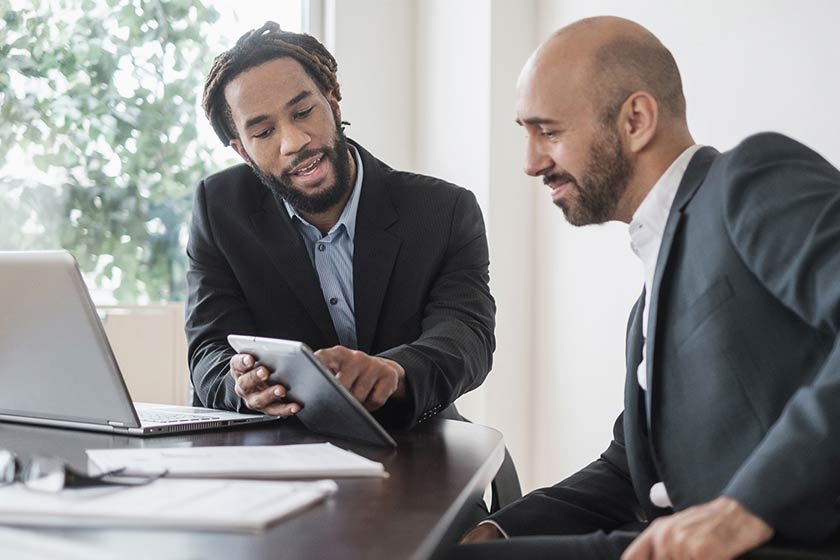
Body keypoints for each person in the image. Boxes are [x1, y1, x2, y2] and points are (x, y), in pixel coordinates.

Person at [455, 15, 840, 560]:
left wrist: (745, 509)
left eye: (549, 131)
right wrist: (502, 531)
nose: (531, 161)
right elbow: (628, 469)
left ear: (635, 119)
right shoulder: (647, 303)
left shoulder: (748, 180)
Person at [185, 21, 496, 432]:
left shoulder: (444, 210)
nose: (294, 141)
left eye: (303, 112)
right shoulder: (219, 209)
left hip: (413, 445)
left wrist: (394, 371)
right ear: (242, 149)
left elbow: (466, 335)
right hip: (277, 452)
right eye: (263, 131)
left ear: (332, 102)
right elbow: (208, 349)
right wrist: (240, 383)